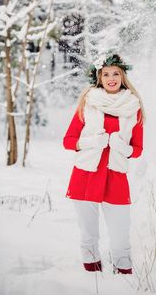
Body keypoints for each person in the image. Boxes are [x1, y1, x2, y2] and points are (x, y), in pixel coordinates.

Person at [63, 53, 145, 274]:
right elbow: (68, 141)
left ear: (122, 76)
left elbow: (137, 150)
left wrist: (121, 146)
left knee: (120, 232)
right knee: (88, 232)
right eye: (106, 74)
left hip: (115, 176)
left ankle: (124, 272)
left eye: (116, 73)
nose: (111, 78)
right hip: (86, 175)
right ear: (99, 77)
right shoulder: (88, 104)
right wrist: (91, 142)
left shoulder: (132, 107)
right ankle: (91, 273)